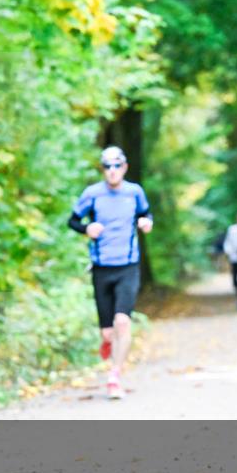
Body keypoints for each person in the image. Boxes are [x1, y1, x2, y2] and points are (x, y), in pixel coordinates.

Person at [67, 146, 153, 400]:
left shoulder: (134, 192)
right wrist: (86, 229)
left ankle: (115, 376)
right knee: (107, 332)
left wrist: (146, 223)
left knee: (122, 321)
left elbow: (146, 214)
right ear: (103, 169)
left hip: (128, 265)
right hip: (102, 268)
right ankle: (107, 342)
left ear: (124, 167)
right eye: (107, 166)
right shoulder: (92, 194)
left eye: (117, 166)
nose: (112, 171)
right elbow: (72, 220)